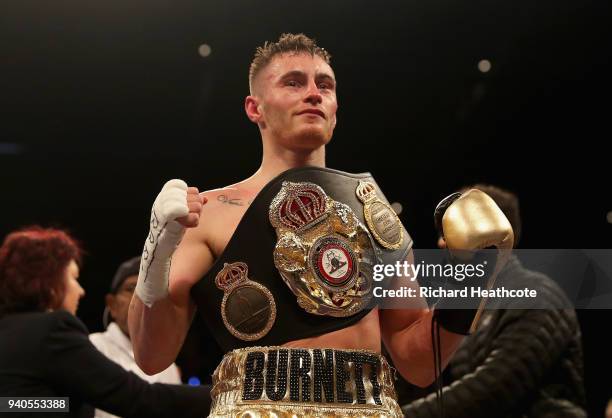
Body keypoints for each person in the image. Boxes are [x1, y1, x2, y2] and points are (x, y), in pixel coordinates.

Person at [128, 33, 514, 417]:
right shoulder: (206, 213)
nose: (313, 93)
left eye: (324, 85)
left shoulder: (373, 211)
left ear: (335, 107)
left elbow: (418, 362)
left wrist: (472, 280)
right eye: (293, 82)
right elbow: (151, 356)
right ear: (254, 108)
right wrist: (155, 254)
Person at [401, 185, 586, 417]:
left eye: (452, 232)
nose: (441, 243)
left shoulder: (537, 293)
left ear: (492, 233)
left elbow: (497, 388)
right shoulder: (464, 305)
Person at [0, 226, 210, 418]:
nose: (80, 291)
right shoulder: (53, 331)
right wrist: (226, 392)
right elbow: (141, 399)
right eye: (73, 278)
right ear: (51, 283)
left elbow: (12, 403)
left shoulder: (10, 331)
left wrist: (67, 404)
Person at [90, 256, 182, 418]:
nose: (140, 297)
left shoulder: (168, 365)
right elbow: (56, 404)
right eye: (132, 287)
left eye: (149, 289)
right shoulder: (92, 347)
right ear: (112, 305)